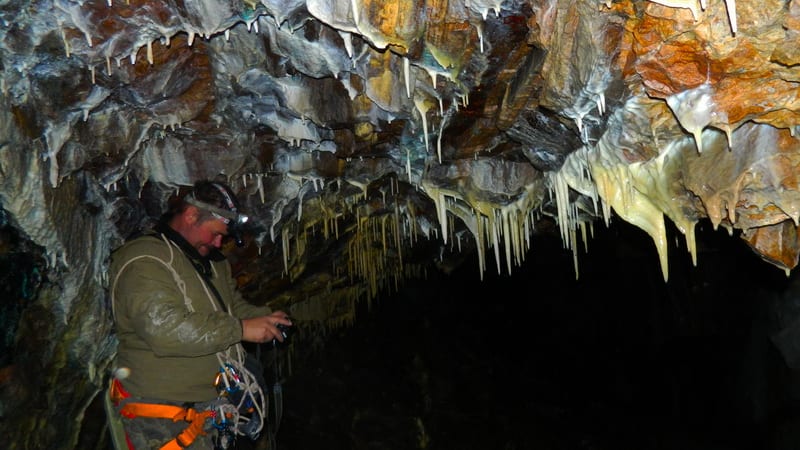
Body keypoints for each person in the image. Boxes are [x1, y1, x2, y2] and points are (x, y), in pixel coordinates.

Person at [105, 179, 292, 450]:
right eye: (215, 233)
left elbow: (232, 309)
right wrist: (241, 329)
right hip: (163, 418)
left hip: (213, 409)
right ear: (192, 215)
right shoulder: (145, 259)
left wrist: (267, 319)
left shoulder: (212, 263)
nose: (219, 243)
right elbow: (164, 329)